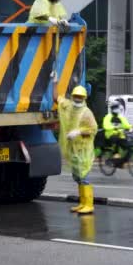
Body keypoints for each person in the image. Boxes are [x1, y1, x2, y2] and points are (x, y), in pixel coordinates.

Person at [53, 76, 97, 214]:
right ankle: (82, 203)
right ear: (72, 96)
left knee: (83, 177)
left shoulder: (86, 113)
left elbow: (92, 129)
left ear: (84, 98)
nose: (78, 99)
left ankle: (89, 204)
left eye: (80, 97)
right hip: (73, 149)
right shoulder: (69, 107)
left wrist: (78, 132)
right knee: (77, 176)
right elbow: (56, 99)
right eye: (76, 96)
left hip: (83, 150)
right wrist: (54, 83)